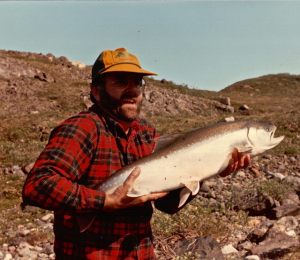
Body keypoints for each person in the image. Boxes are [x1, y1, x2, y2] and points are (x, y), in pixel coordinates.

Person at [22, 48, 250, 259]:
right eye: (120, 82)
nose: (132, 91)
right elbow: (38, 185)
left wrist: (207, 169)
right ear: (96, 90)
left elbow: (167, 205)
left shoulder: (146, 133)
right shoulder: (83, 129)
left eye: (137, 83)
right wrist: (104, 201)